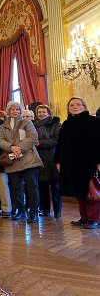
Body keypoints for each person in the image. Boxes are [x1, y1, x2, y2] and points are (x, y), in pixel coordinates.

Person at [54, 97, 100, 229]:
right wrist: (58, 161)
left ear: (84, 106)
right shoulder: (66, 124)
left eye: (78, 104)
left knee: (90, 193)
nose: (75, 107)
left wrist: (98, 162)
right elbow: (60, 145)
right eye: (72, 105)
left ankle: (94, 219)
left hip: (88, 163)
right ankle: (84, 217)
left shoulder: (94, 122)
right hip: (70, 164)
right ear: (68, 108)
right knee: (78, 193)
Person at [0, 101, 43, 223]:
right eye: (12, 109)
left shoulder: (26, 122)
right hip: (13, 161)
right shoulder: (3, 126)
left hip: (29, 159)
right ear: (8, 111)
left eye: (17, 109)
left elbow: (33, 137)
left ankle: (34, 213)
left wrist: (20, 148)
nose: (15, 111)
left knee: (32, 187)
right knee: (16, 188)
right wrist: (12, 147)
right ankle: (21, 212)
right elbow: (0, 141)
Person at [34, 105, 62, 218]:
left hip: (53, 158)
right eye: (39, 112)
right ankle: (45, 210)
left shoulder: (55, 124)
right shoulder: (32, 125)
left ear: (48, 113)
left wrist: (39, 143)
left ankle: (57, 211)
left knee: (56, 187)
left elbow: (56, 140)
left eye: (44, 112)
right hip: (39, 159)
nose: (41, 114)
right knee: (42, 188)